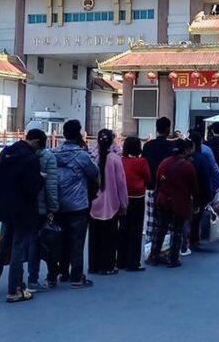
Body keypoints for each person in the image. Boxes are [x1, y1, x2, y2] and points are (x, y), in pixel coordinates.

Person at [0, 130, 45, 303]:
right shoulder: (31, 159)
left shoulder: (7, 152)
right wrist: (41, 179)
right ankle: (14, 290)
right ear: (36, 142)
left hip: (4, 208)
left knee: (3, 246)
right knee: (18, 249)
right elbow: (31, 188)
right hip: (23, 209)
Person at [50, 120, 99, 288]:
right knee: (77, 241)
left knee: (60, 239)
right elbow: (94, 173)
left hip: (57, 203)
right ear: (79, 133)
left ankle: (62, 272)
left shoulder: (53, 153)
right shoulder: (82, 156)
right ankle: (77, 277)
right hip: (77, 204)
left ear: (63, 133)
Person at [148, 138, 198, 267]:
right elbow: (193, 187)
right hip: (179, 202)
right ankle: (173, 258)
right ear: (185, 150)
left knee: (160, 228)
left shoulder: (164, 162)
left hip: (163, 199)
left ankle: (154, 255)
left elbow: (158, 181)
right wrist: (195, 203)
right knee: (177, 230)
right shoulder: (188, 166)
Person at [87, 129, 128, 276]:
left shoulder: (92, 157)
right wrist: (124, 203)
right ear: (112, 141)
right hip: (111, 203)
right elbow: (121, 184)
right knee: (110, 237)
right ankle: (107, 266)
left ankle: (93, 265)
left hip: (93, 203)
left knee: (94, 236)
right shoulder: (115, 159)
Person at [25, 129, 58, 293]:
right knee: (37, 242)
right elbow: (51, 185)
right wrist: (53, 206)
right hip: (40, 206)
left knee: (21, 242)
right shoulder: (48, 157)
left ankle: (16, 280)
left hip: (22, 205)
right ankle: (34, 279)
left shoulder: (23, 155)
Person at [142, 117, 176, 248]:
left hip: (151, 186)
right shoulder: (171, 147)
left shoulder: (147, 146)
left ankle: (149, 247)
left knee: (151, 219)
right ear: (167, 129)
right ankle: (164, 248)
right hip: (167, 189)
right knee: (166, 220)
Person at [118, 136, 150, 271]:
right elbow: (148, 178)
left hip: (123, 197)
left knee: (123, 228)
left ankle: (121, 260)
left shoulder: (121, 160)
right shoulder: (142, 162)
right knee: (136, 229)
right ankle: (133, 262)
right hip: (137, 197)